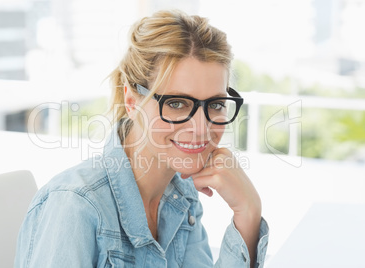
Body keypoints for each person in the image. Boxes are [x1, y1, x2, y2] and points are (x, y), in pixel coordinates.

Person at [15, 9, 269, 268]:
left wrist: (248, 213)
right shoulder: (74, 206)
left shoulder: (182, 196)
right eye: (177, 103)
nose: (202, 128)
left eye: (215, 104)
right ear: (131, 101)